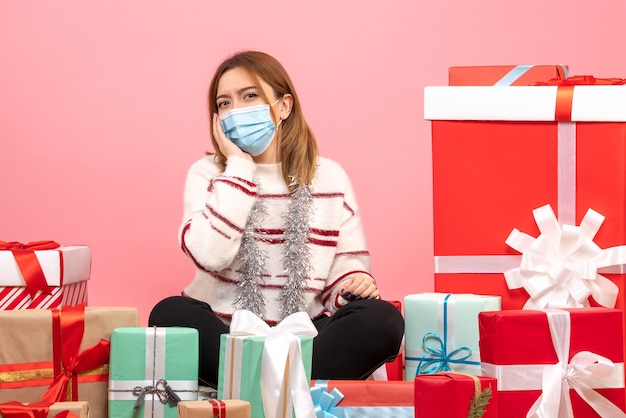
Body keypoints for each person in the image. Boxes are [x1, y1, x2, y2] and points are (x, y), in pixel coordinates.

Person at [149, 50, 404, 388]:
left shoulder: (329, 176)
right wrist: (239, 166)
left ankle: (254, 386)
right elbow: (211, 255)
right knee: (168, 315)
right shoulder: (207, 173)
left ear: (284, 106)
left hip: (307, 338)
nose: (235, 110)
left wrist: (353, 286)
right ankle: (291, 389)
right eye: (224, 103)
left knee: (383, 319)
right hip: (227, 334)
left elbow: (346, 267)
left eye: (249, 96)